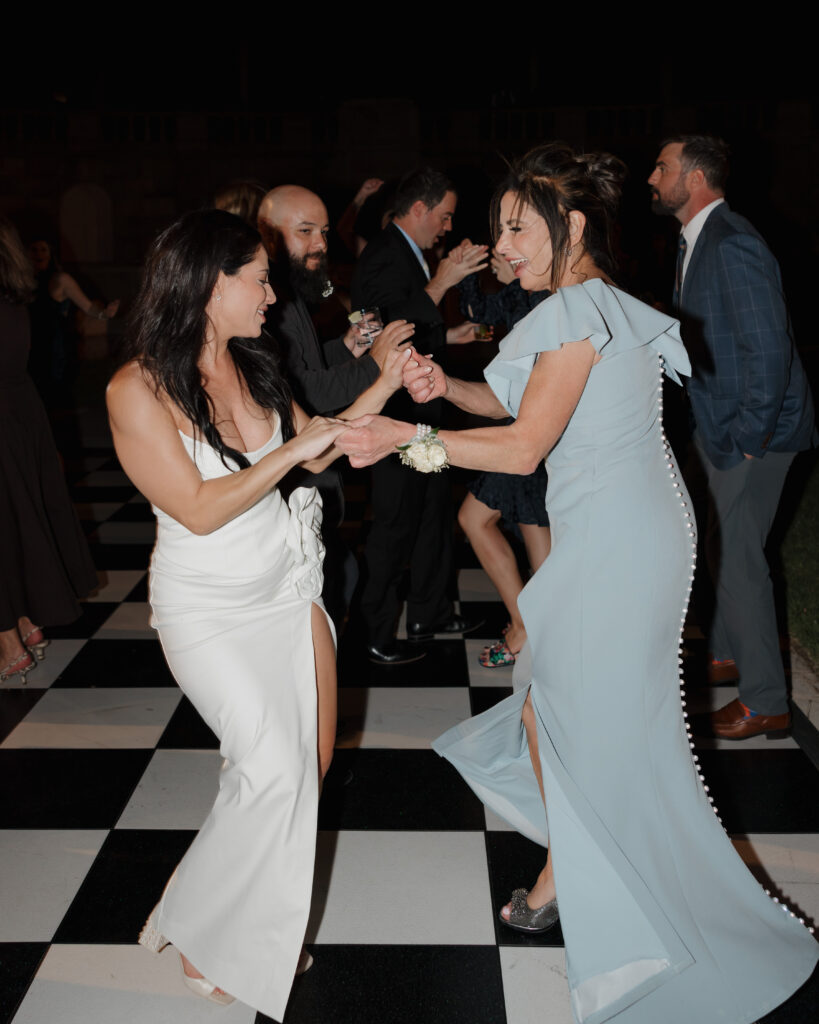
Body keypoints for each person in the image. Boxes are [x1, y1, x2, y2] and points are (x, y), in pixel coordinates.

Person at [336, 143, 818, 1023]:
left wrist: (406, 439)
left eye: (519, 228)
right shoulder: (582, 308)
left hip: (617, 539)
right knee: (548, 702)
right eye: (497, 231)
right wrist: (444, 386)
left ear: (575, 225)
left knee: (582, 711)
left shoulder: (570, 314)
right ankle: (573, 864)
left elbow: (524, 446)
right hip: (622, 527)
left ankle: (572, 881)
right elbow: (520, 404)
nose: (505, 246)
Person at [106, 209, 408, 1017]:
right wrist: (291, 453)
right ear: (210, 283)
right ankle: (216, 940)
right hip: (208, 610)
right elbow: (200, 509)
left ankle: (194, 906)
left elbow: (320, 442)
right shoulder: (134, 388)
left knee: (301, 769)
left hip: (287, 584)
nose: (274, 296)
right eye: (260, 278)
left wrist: (384, 381)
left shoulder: (256, 360)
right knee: (269, 771)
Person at [648, 135, 816, 740]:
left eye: (661, 167)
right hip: (729, 423)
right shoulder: (697, 241)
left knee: (740, 559)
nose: (651, 177)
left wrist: (748, 438)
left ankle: (766, 701)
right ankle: (725, 648)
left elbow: (769, 351)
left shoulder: (733, 241)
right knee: (717, 542)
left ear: (693, 179)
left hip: (759, 431)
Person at [257, 184, 414, 626]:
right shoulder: (268, 301)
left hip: (313, 471)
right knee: (331, 587)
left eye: (323, 232)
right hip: (293, 477)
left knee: (339, 577)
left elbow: (306, 366)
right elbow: (303, 391)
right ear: (268, 234)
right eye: (305, 231)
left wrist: (348, 348)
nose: (321, 244)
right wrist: (376, 369)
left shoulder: (289, 290)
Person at [350, 167, 488, 665]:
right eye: (444, 216)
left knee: (431, 509)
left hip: (420, 410)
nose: (447, 227)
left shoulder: (404, 252)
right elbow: (377, 333)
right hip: (391, 415)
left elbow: (410, 332)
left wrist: (448, 337)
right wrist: (440, 284)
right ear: (418, 210)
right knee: (394, 520)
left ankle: (429, 612)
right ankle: (373, 630)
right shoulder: (382, 256)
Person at [0, 217, 98, 685]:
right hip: (19, 409)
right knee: (19, 517)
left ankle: (6, 641)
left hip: (8, 410)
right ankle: (24, 623)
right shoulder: (12, 288)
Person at [456, 248, 550, 666]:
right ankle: (529, 627)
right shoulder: (523, 292)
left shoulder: (551, 295)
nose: (506, 248)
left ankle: (534, 632)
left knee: (535, 533)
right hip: (520, 422)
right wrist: (467, 274)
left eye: (516, 235)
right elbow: (479, 310)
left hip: (540, 427)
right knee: (518, 527)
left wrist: (513, 278)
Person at [28, 238, 119, 411]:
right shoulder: (26, 281)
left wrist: (105, 313)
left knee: (55, 395)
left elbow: (87, 306)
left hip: (56, 349)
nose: (39, 254)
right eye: (34, 249)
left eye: (43, 249)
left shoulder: (61, 279)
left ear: (51, 253)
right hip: (33, 347)